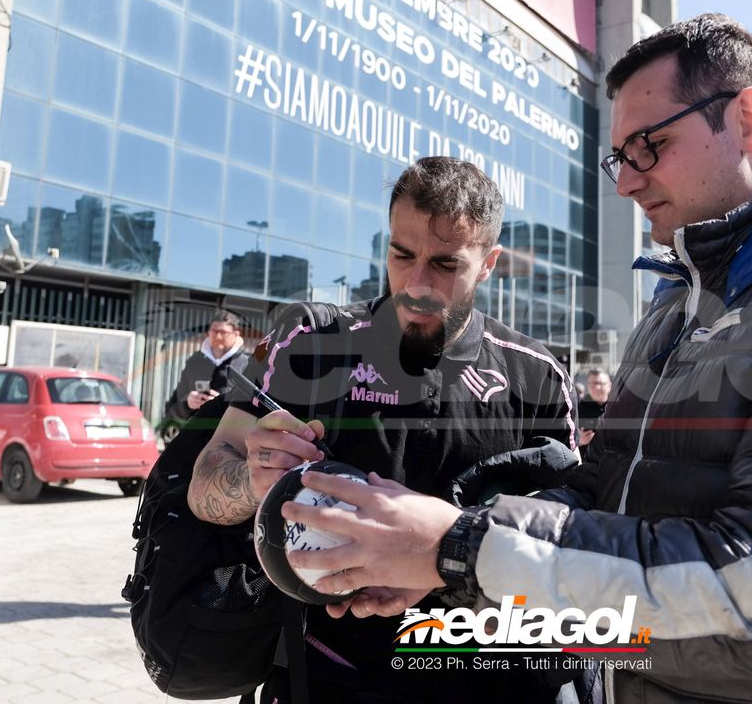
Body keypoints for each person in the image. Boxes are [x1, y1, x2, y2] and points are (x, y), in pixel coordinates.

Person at [280, 14, 752, 704]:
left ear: (746, 117)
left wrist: (460, 547)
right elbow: (603, 496)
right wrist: (444, 564)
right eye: (620, 157)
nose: (626, 182)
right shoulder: (677, 301)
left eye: (648, 145)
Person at [187, 157, 585, 703]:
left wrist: (448, 567)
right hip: (325, 679)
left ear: (489, 263)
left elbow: (571, 554)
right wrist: (253, 478)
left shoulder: (536, 376)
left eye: (446, 264)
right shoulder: (309, 340)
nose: (417, 284)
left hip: (492, 683)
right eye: (402, 255)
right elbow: (204, 488)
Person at [163, 309, 249, 423]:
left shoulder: (248, 364)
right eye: (214, 331)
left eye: (223, 332)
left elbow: (253, 411)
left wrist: (221, 404)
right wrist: (187, 404)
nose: (218, 337)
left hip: (227, 436)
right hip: (195, 434)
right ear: (208, 332)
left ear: (236, 334)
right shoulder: (195, 361)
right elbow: (170, 410)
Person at [577, 367, 611, 447]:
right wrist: (579, 441)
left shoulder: (618, 408)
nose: (597, 387)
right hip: (586, 457)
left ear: (609, 386)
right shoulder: (577, 410)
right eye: (593, 384)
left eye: (601, 383)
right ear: (587, 385)